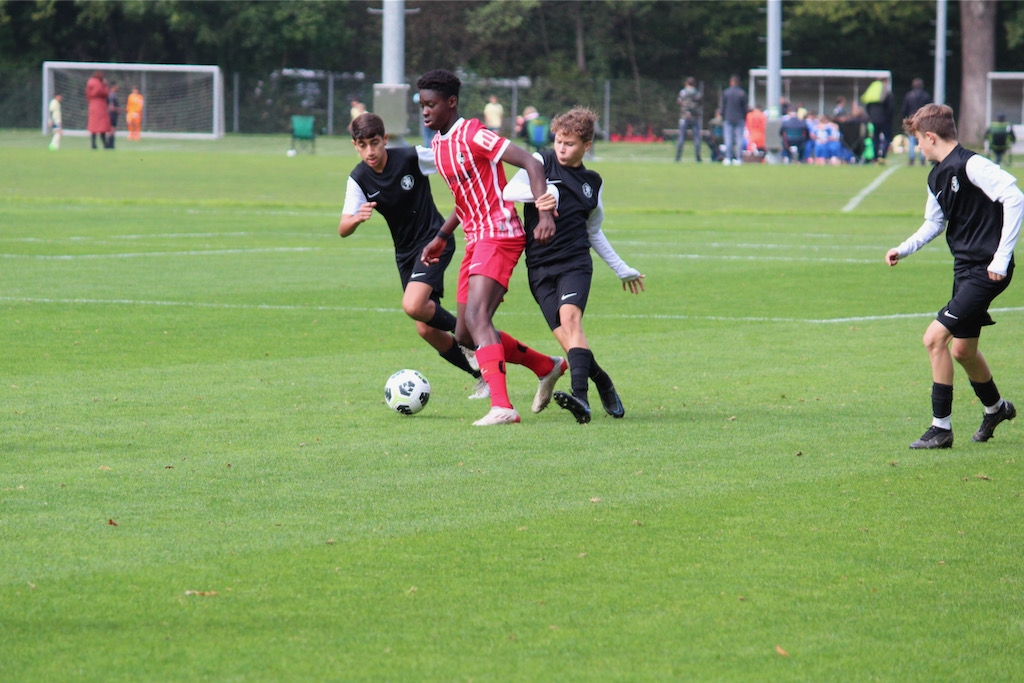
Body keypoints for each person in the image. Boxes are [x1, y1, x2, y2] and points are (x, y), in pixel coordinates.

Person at [416, 69, 565, 426]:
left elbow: (531, 162)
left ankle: (503, 406)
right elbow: (464, 198)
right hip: (474, 238)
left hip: (499, 233)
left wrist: (545, 212)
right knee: (465, 333)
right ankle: (546, 366)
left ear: (451, 102)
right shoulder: (438, 144)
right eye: (421, 105)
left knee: (478, 317)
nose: (425, 111)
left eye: (431, 104)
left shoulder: (474, 134)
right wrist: (441, 236)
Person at [885, 103, 1022, 449]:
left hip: (987, 270)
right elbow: (935, 222)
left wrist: (1001, 257)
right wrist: (904, 248)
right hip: (965, 269)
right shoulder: (936, 176)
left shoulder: (971, 164)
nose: (918, 146)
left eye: (918, 139)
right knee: (962, 350)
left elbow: (1014, 196)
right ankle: (996, 409)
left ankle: (941, 428)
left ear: (931, 136)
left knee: (934, 339)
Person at [503, 107, 645, 424]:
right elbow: (509, 191)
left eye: (569, 143)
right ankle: (603, 381)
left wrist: (622, 269)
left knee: (571, 320)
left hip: (575, 263)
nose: (562, 148)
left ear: (586, 146)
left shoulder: (592, 183)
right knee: (569, 340)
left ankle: (580, 397)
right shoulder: (540, 161)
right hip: (539, 268)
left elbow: (594, 231)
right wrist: (545, 193)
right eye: (558, 141)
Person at [338, 112, 486, 400]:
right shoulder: (358, 178)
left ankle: (468, 337)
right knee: (426, 330)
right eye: (362, 145)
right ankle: (483, 376)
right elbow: (343, 228)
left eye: (374, 142)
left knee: (413, 305)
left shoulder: (411, 157)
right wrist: (356, 218)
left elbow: (450, 163)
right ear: (355, 145)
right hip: (406, 253)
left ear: (385, 139)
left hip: (434, 240)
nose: (370, 151)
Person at [901, 78, 933, 166]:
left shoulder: (909, 95)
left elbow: (904, 109)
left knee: (911, 140)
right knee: (922, 139)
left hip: (912, 119)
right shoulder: (926, 95)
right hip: (923, 119)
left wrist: (906, 118)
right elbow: (929, 109)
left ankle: (911, 158)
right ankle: (923, 158)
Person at [862, 78, 893, 163]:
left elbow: (867, 106)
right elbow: (890, 107)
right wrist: (889, 117)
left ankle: (875, 157)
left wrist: (871, 116)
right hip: (884, 119)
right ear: (885, 82)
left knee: (876, 139)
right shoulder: (886, 92)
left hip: (874, 119)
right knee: (887, 137)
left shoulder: (872, 91)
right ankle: (882, 156)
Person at [675, 76, 703, 163]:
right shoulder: (697, 92)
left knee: (681, 137)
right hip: (695, 117)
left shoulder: (683, 92)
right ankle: (698, 156)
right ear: (694, 84)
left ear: (686, 83)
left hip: (684, 117)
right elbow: (701, 102)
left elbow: (679, 101)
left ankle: (678, 156)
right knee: (696, 138)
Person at [721, 75, 747, 165]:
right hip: (739, 118)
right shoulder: (742, 93)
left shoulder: (726, 92)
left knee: (728, 138)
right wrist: (744, 117)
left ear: (731, 82)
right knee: (739, 139)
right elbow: (745, 108)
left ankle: (728, 158)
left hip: (728, 118)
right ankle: (739, 158)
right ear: (738, 82)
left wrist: (723, 116)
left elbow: (723, 107)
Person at [85, 70, 111, 150]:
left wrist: (91, 101)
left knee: (94, 126)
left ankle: (93, 144)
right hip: (101, 106)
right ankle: (105, 144)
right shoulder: (100, 84)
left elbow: (88, 94)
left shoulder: (90, 82)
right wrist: (105, 85)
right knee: (102, 126)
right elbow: (105, 93)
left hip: (93, 105)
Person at [106, 83, 121, 149]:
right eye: (117, 86)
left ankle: (110, 144)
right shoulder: (112, 95)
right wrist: (121, 110)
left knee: (112, 130)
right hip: (112, 115)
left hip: (112, 114)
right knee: (112, 130)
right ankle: (110, 145)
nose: (118, 88)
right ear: (114, 87)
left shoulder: (112, 94)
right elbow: (111, 107)